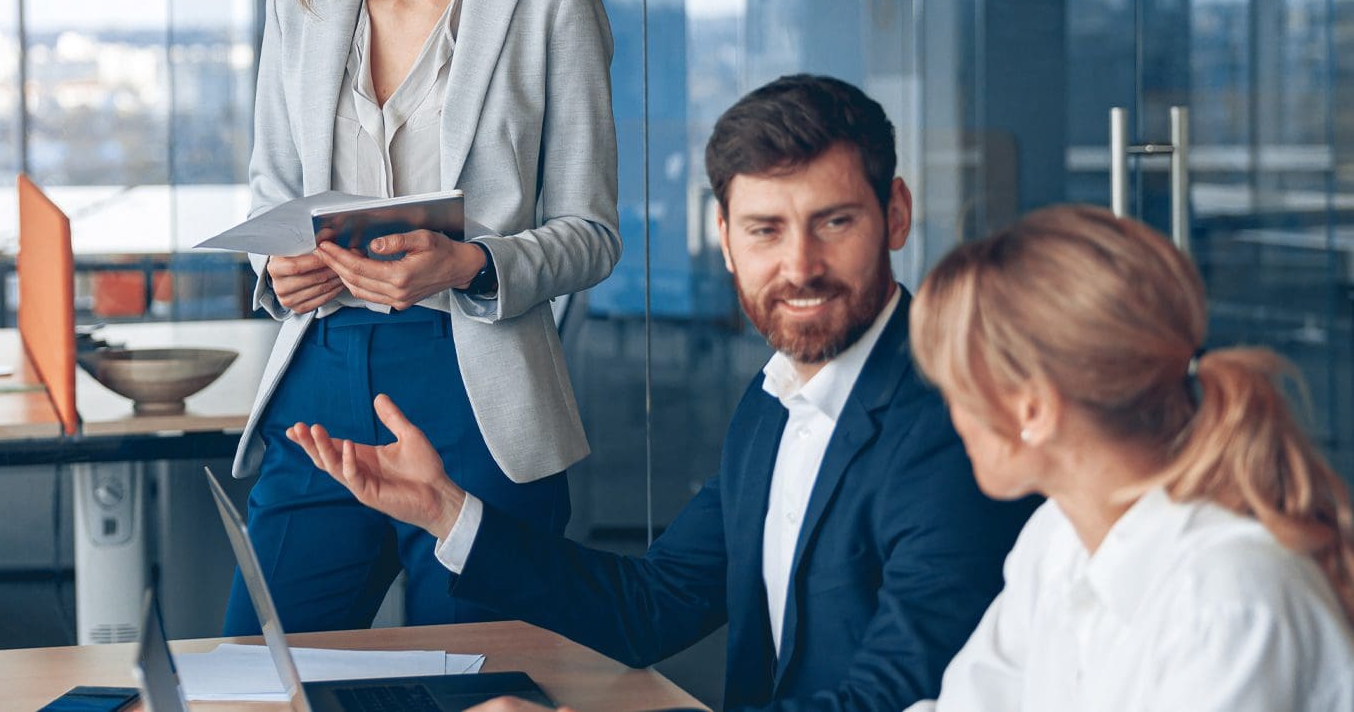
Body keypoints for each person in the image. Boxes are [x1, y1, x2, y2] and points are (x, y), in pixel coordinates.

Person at [289, 74, 1034, 709]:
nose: (799, 265)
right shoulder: (777, 400)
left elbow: (896, 693)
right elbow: (656, 605)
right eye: (766, 230)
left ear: (895, 215)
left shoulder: (954, 422)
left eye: (833, 222)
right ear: (726, 238)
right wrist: (442, 509)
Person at [227, 0, 622, 635]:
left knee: (476, 677)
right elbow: (270, 192)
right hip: (320, 374)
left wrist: (464, 264)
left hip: (475, 389)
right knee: (260, 666)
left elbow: (591, 232)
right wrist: (279, 267)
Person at [906, 205, 1354, 710]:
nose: (952, 415)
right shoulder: (1055, 540)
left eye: (958, 389)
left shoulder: (1229, 599)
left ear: (1033, 409)